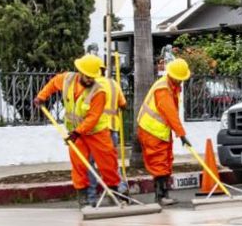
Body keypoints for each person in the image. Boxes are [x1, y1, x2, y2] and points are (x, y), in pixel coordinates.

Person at [34, 54, 123, 207]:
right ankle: (83, 197)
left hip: (97, 132)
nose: (90, 80)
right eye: (87, 76)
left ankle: (114, 191)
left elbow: (93, 118)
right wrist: (41, 97)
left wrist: (76, 133)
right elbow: (53, 83)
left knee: (108, 163)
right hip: (76, 133)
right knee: (79, 165)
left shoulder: (99, 92)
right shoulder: (67, 79)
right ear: (80, 72)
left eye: (92, 77)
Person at [137, 58, 192, 206]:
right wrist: (181, 134)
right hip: (151, 130)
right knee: (159, 162)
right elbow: (170, 114)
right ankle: (160, 196)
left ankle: (163, 193)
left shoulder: (171, 85)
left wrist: (179, 133)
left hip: (160, 129)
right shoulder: (163, 89)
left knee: (166, 160)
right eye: (179, 79)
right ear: (172, 75)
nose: (181, 82)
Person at [87, 63, 128, 201]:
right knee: (110, 162)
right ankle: (120, 189)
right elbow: (123, 104)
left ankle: (90, 196)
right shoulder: (113, 84)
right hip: (113, 129)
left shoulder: (91, 85)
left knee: (90, 163)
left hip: (96, 130)